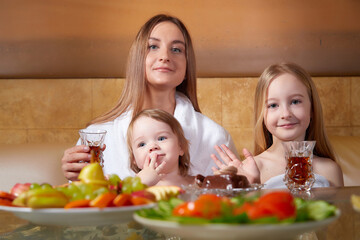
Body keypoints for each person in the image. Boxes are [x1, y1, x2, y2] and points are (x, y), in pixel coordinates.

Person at [61, 14, 239, 181]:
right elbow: (85, 202)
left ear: (187, 67)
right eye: (153, 47)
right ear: (137, 59)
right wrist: (79, 180)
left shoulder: (216, 137)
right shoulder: (97, 137)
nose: (165, 57)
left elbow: (233, 202)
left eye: (176, 49)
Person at [212, 62, 344, 188]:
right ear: (262, 115)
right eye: (273, 105)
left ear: (312, 109)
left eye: (295, 101)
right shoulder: (249, 169)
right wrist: (248, 188)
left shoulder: (330, 170)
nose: (285, 114)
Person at [127, 109, 194, 187]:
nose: (152, 147)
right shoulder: (132, 188)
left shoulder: (198, 183)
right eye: (142, 144)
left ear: (181, 147)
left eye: (161, 138)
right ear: (134, 159)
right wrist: (140, 184)